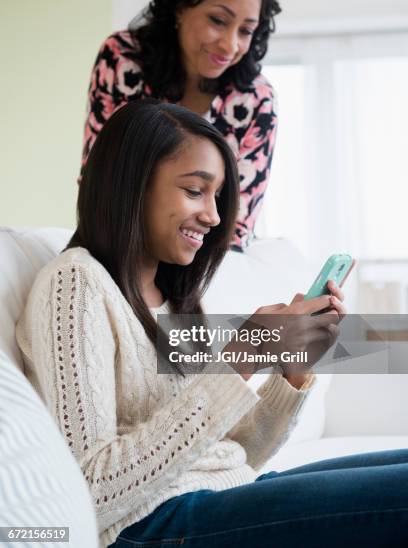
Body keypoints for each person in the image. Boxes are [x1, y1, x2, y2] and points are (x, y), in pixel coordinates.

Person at [17, 100, 408, 547]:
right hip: (150, 526)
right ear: (131, 185)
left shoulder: (175, 299)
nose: (214, 216)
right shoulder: (76, 283)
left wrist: (291, 371)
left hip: (220, 495)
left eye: (217, 196)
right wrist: (245, 354)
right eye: (194, 190)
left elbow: (234, 452)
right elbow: (88, 490)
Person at [82, 0, 282, 251]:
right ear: (179, 5)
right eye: (218, 21)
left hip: (204, 262)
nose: (230, 46)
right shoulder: (122, 59)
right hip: (118, 249)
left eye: (245, 30)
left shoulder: (256, 100)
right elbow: (98, 181)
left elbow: (234, 227)